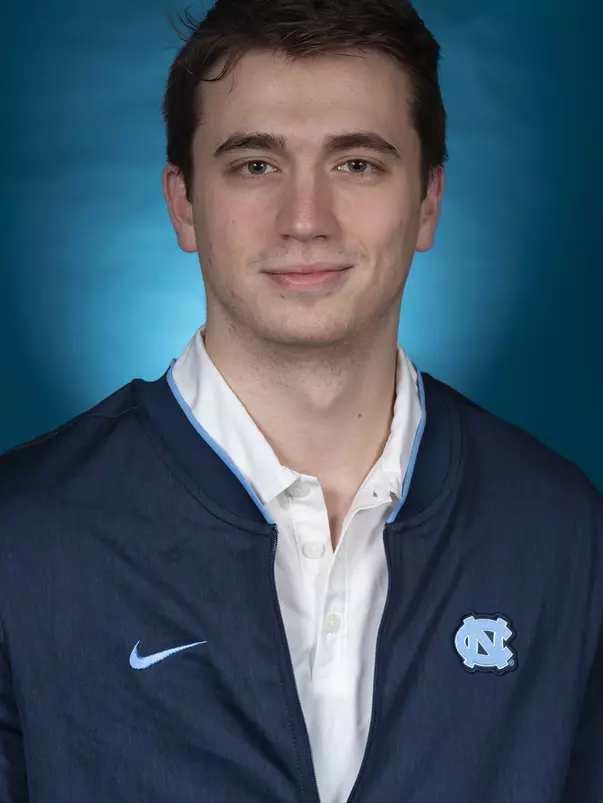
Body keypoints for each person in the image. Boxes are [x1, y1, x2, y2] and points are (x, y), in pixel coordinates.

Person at [1, 0, 601, 800]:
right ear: (184, 204)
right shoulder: (22, 537)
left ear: (427, 201)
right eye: (255, 165)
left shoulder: (560, 530)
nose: (305, 220)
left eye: (356, 164)